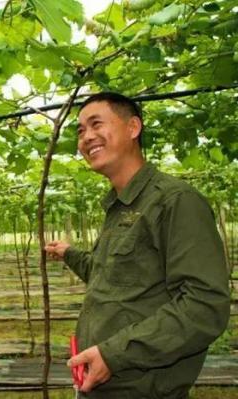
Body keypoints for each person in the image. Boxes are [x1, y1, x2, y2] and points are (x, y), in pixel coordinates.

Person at [45, 92, 230, 399]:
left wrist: (114, 354)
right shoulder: (120, 208)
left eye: (96, 124)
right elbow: (106, 275)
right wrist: (68, 253)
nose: (86, 137)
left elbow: (204, 305)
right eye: (80, 131)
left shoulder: (174, 201)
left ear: (133, 128)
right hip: (99, 385)